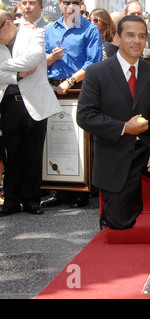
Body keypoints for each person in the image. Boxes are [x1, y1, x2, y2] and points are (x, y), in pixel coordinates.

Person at [77, 15, 150, 230]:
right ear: (117, 37)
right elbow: (85, 116)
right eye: (130, 35)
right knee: (120, 224)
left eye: (142, 36)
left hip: (147, 146)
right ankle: (112, 214)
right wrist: (124, 127)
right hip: (116, 150)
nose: (137, 41)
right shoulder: (97, 73)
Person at [0, 11, 62, 216]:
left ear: (7, 24)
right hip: (8, 104)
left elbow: (32, 61)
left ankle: (31, 200)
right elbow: (24, 68)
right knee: (13, 153)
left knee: (33, 153)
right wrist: (16, 75)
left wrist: (4, 71)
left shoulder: (32, 34)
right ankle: (10, 201)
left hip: (34, 103)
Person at [42, 0, 102, 208]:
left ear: (81, 4)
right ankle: (60, 189)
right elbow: (41, 59)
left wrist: (70, 80)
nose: (70, 5)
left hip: (79, 89)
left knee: (80, 139)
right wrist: (49, 59)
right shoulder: (50, 29)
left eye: (75, 2)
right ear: (59, 4)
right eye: (66, 1)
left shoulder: (90, 29)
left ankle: (81, 190)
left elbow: (93, 63)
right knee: (57, 139)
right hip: (53, 90)